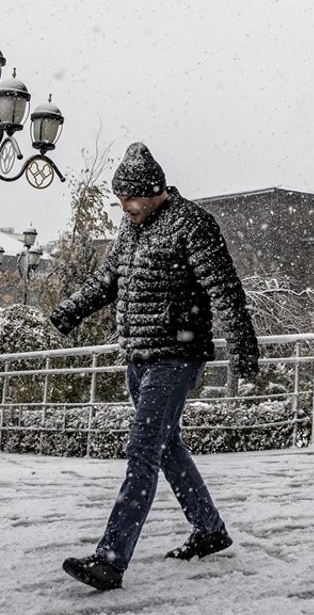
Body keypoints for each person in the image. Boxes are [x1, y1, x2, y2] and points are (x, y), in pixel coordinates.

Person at [49, 142, 261, 591]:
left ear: (154, 191)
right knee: (165, 448)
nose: (125, 207)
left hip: (176, 355)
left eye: (131, 198)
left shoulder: (191, 224)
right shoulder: (130, 230)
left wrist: (243, 348)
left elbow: (224, 289)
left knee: (143, 449)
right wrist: (71, 310)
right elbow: (109, 280)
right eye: (120, 199)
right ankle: (209, 529)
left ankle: (111, 559)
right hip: (138, 356)